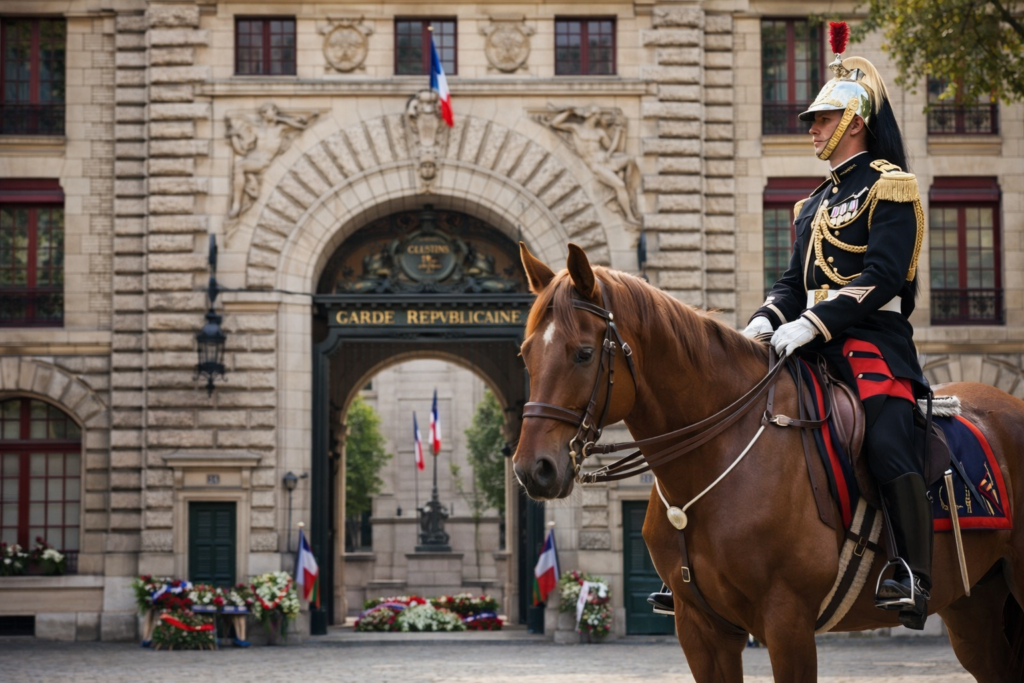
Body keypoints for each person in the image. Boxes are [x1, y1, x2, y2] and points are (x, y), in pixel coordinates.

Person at [649, 22, 932, 630]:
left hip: (871, 345)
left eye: (822, 120)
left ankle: (911, 571)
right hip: (804, 345)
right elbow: (791, 281)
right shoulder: (812, 205)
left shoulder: (892, 187)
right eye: (810, 120)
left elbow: (883, 275)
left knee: (884, 438)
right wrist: (763, 321)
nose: (812, 129)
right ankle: (701, 571)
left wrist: (816, 322)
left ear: (854, 121)